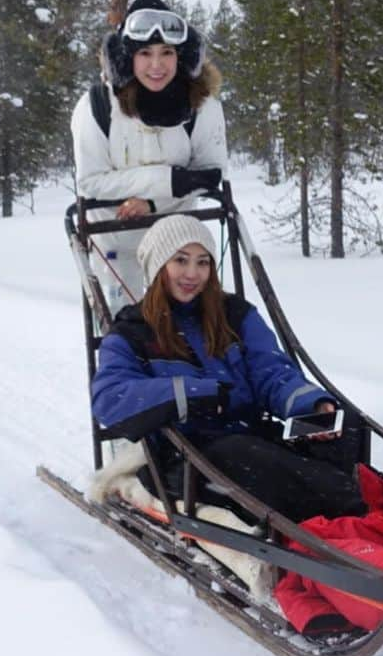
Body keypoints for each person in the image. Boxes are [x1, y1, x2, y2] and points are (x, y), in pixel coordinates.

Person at [88, 214, 367, 527]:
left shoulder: (235, 315)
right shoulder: (133, 331)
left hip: (254, 434)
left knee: (347, 425)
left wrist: (313, 405)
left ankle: (342, 503)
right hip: (187, 457)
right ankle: (345, 511)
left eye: (203, 262)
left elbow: (272, 372)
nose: (193, 273)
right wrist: (195, 393)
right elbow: (109, 400)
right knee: (249, 458)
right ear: (158, 265)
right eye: (180, 260)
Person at [71, 0, 227, 307]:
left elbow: (210, 175)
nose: (156, 66)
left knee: (187, 323)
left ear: (181, 57)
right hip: (112, 233)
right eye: (144, 53)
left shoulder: (203, 106)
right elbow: (91, 182)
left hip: (177, 235)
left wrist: (153, 202)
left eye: (166, 52)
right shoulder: (97, 107)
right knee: (123, 327)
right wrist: (170, 179)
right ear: (126, 57)